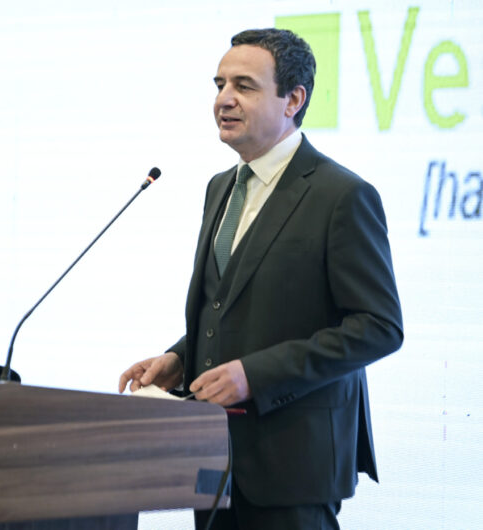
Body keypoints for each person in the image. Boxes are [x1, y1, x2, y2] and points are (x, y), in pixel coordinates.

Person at [118, 28, 403, 530]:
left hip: (293, 465)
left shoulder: (341, 195)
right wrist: (180, 358)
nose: (223, 99)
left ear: (293, 99)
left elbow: (379, 327)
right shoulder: (219, 188)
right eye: (220, 84)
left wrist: (255, 375)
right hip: (211, 465)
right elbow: (229, 305)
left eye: (244, 86)